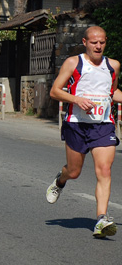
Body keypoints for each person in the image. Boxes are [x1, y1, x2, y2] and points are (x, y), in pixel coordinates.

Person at [46, 26, 120, 238]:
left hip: (103, 125)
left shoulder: (113, 65)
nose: (98, 46)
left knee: (104, 170)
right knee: (74, 171)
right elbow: (54, 91)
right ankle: (61, 179)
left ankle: (101, 219)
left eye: (102, 42)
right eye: (94, 42)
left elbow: (111, 92)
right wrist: (76, 99)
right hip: (76, 124)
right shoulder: (73, 63)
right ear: (85, 42)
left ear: (106, 42)